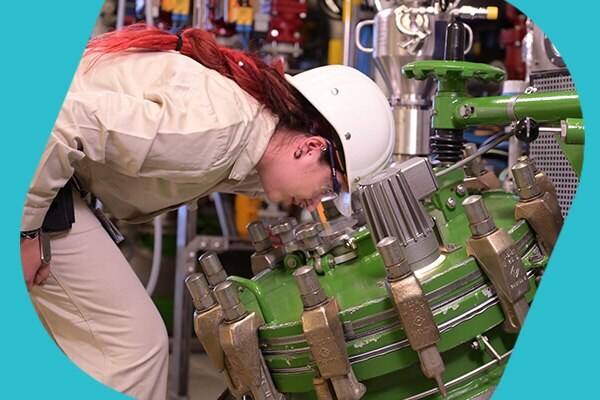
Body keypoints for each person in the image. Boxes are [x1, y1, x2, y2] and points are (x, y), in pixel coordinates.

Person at [20, 23, 394, 399]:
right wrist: (26, 232)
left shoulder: (251, 135)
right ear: (311, 148)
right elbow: (59, 123)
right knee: (131, 348)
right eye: (330, 187)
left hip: (51, 168)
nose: (317, 202)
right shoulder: (218, 131)